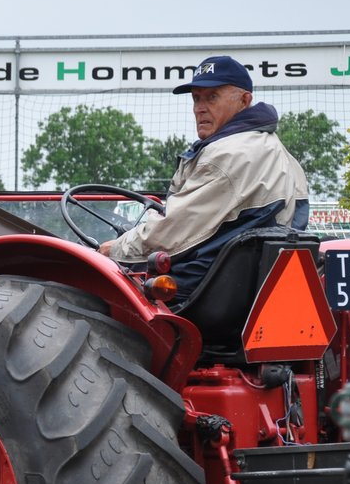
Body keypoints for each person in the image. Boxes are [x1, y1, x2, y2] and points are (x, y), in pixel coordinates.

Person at [100, 55, 309, 303]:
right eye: (196, 98)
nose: (200, 107)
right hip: (249, 288)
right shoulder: (282, 155)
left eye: (212, 97)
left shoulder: (226, 155)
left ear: (244, 101)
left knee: (103, 291)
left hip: (200, 287)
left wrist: (115, 249)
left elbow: (172, 229)